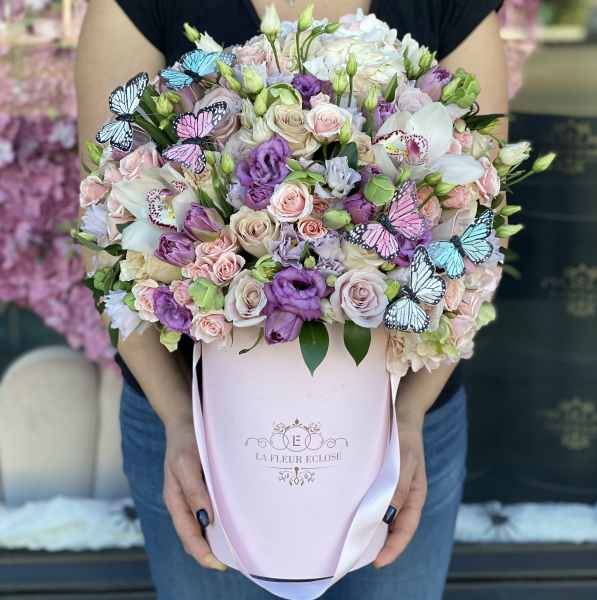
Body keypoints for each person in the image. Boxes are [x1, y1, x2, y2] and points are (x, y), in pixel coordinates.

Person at [76, 1, 507, 598]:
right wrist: (179, 418)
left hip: (407, 428)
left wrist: (407, 416)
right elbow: (107, 229)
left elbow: (479, 223)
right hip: (190, 434)